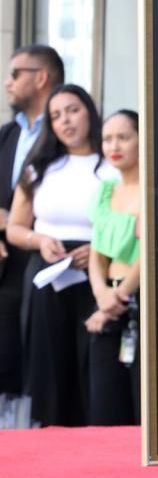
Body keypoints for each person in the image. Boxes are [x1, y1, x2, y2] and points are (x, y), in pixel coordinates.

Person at [6, 84, 116, 426]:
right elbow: (14, 227)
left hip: (99, 272)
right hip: (49, 272)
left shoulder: (111, 163)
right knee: (50, 363)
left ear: (89, 112)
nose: (65, 121)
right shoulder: (39, 168)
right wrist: (39, 240)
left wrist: (99, 250)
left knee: (94, 364)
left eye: (72, 110)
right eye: (55, 115)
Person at [0, 45, 63, 425]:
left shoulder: (69, 131)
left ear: (40, 78)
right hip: (7, 262)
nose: (8, 82)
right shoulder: (7, 134)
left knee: (42, 356)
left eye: (15, 73)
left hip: (52, 262)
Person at [84, 109, 141, 425]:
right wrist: (101, 293)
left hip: (138, 299)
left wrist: (114, 300)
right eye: (107, 138)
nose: (113, 145)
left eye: (123, 137)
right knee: (104, 401)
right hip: (106, 299)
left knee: (141, 402)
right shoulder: (105, 190)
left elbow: (148, 254)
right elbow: (97, 250)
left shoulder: (153, 189)